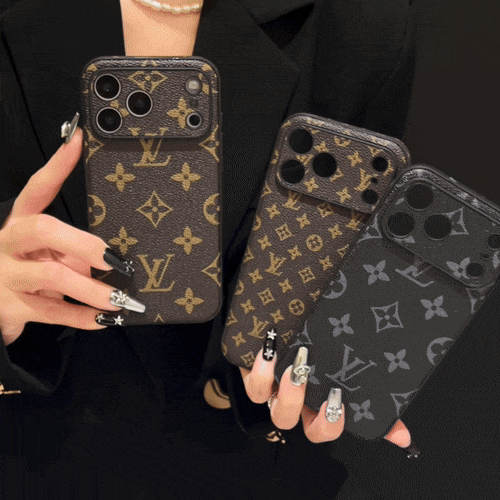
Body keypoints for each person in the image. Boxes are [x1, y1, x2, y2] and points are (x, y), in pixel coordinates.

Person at [0, 0, 417, 498]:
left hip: (235, 464)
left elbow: (340, 263)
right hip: (28, 447)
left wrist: (313, 360)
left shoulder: (360, 25)